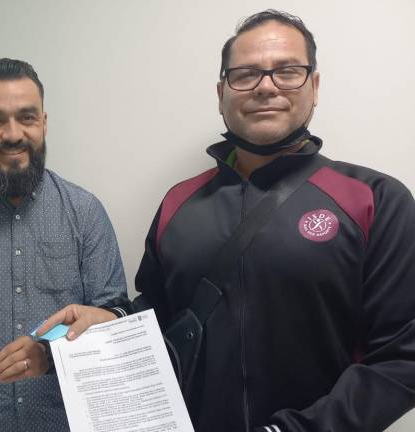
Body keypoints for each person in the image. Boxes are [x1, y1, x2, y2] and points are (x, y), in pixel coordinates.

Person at [37, 10, 415, 432]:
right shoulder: (179, 203)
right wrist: (113, 320)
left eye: (287, 71)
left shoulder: (374, 199)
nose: (266, 86)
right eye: (245, 74)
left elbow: (402, 355)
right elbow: (161, 310)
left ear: (315, 86)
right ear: (221, 94)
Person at [0, 58, 129, 431]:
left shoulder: (86, 213)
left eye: (27, 117)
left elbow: (114, 324)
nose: (12, 134)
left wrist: (53, 351)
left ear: (44, 123)